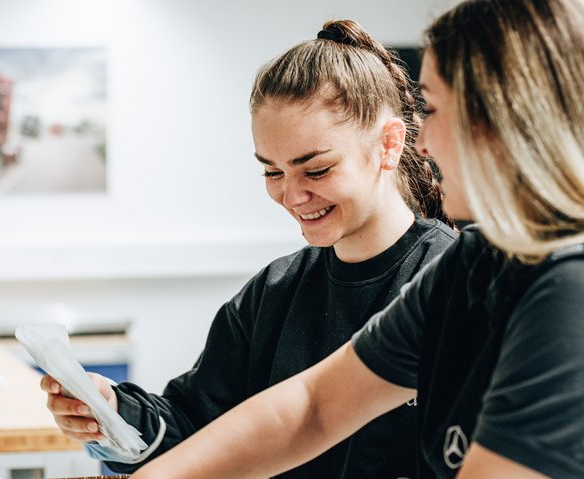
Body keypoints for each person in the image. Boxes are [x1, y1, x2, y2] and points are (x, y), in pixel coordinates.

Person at [124, 1, 584, 478]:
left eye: (435, 109)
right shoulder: (481, 262)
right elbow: (314, 406)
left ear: (503, 122)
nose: (423, 143)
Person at [41, 20, 457, 479]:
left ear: (389, 145)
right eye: (272, 172)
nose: (292, 195)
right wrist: (116, 414)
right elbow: (198, 429)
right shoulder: (275, 292)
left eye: (316, 170)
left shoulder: (453, 281)